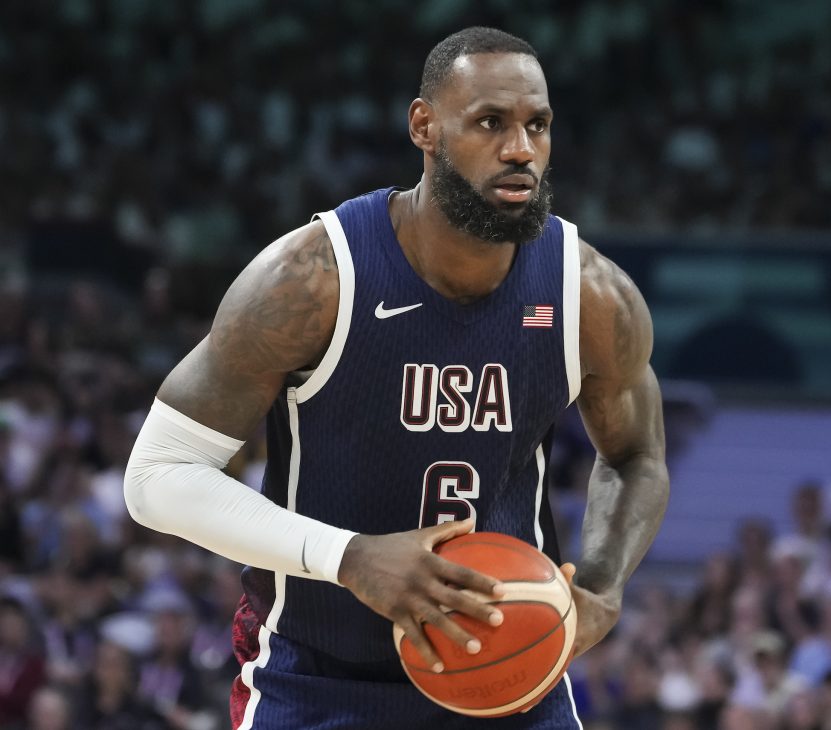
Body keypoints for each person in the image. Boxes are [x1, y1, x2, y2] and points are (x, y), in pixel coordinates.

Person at [123, 26, 669, 730]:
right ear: (424, 126)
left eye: (537, 125)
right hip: (315, 676)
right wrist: (349, 557)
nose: (520, 150)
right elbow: (157, 475)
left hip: (507, 672)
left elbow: (636, 455)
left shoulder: (589, 294)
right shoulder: (313, 278)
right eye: (490, 123)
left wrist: (603, 585)